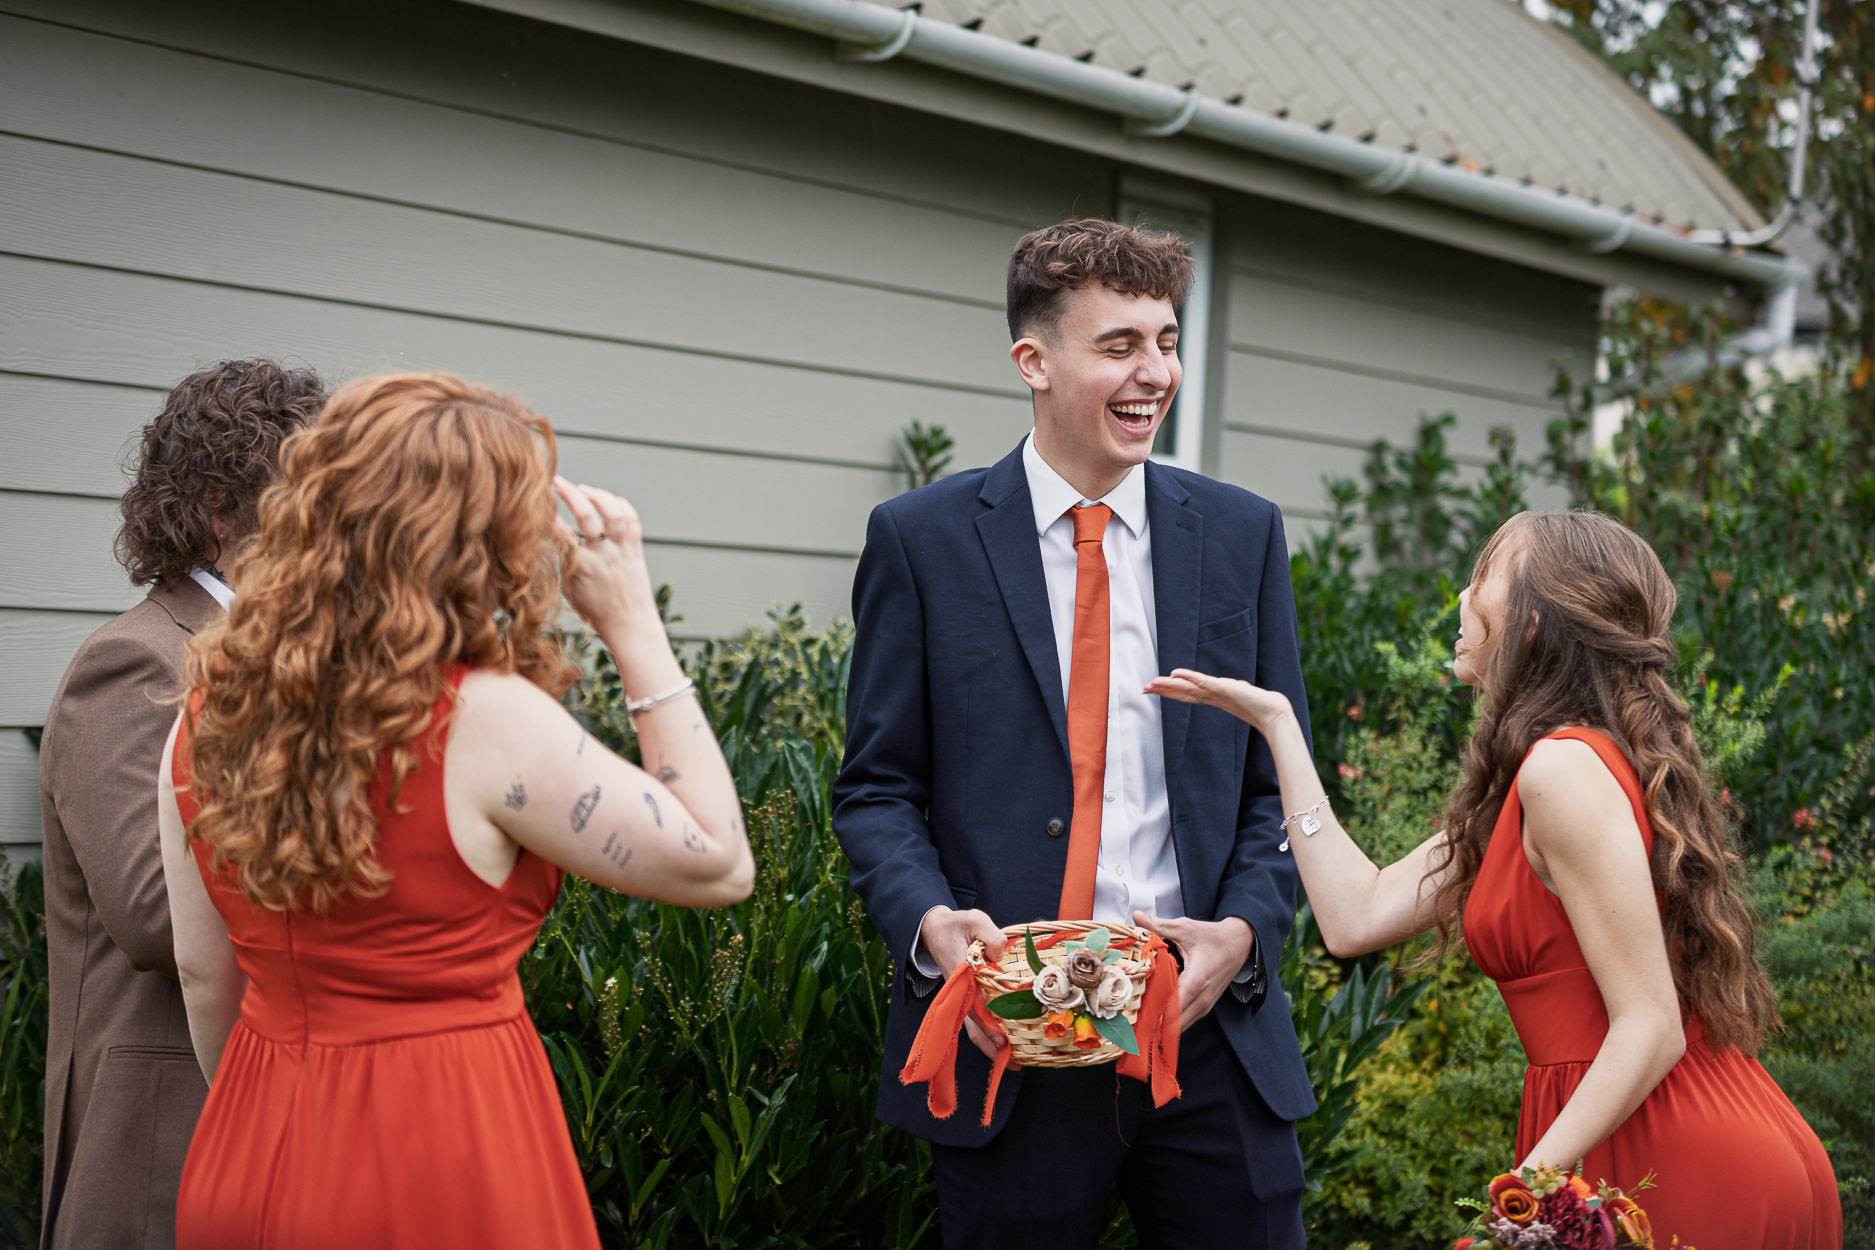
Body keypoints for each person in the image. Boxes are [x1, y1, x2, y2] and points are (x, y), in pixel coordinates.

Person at [154, 372, 754, 1249]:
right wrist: (633, 625)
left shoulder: (207, 711)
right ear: (485, 547)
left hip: (251, 1141)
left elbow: (203, 972)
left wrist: (271, 1116)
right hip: (442, 1148)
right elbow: (720, 862)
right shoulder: (480, 720)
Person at [1150, 510, 1843, 1249]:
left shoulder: (1562, 771)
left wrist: (1521, 1200)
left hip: (1673, 1155)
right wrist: (1279, 727)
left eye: (1485, 576)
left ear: (1536, 622)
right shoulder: (1535, 781)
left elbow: (1651, 1024)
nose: (1461, 596)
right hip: (1652, 1131)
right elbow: (1355, 916)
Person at [832, 219, 1314, 1248]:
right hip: (1010, 1035)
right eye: (1119, 345)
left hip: (1208, 1036)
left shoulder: (1242, 532)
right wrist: (930, 924)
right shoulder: (920, 541)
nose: (1157, 373)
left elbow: (1283, 782)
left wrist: (1243, 931)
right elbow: (876, 790)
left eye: (1167, 341)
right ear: (1034, 361)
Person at [37, 359, 326, 1250]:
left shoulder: (297, 662)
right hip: (163, 1133)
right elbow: (155, 918)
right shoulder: (135, 663)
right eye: (310, 499)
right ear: (219, 508)